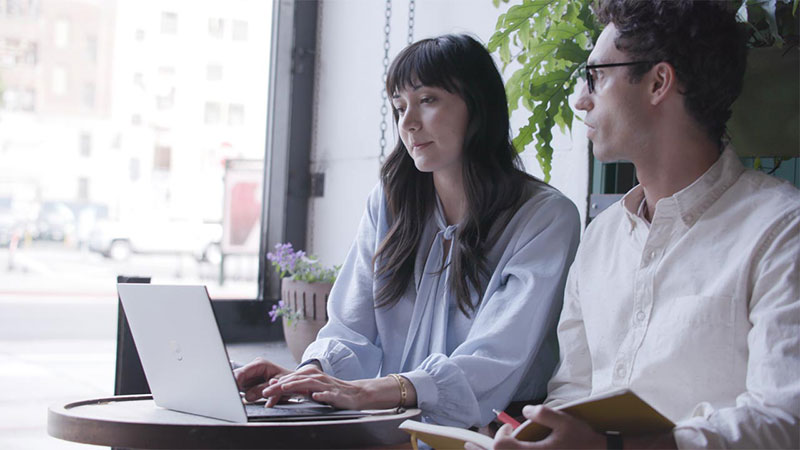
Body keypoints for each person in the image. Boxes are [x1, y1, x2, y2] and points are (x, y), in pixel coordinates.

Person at [483, 0, 800, 448]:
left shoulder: (781, 231)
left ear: (658, 82)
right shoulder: (601, 238)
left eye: (596, 76)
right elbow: (572, 391)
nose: (581, 99)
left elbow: (785, 421)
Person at [234, 34, 581, 427]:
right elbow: (350, 326)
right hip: (395, 423)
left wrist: (375, 391)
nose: (409, 123)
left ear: (478, 107)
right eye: (399, 107)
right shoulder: (390, 202)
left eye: (428, 100)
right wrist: (310, 374)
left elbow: (495, 359)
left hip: (497, 432)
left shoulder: (545, 218)